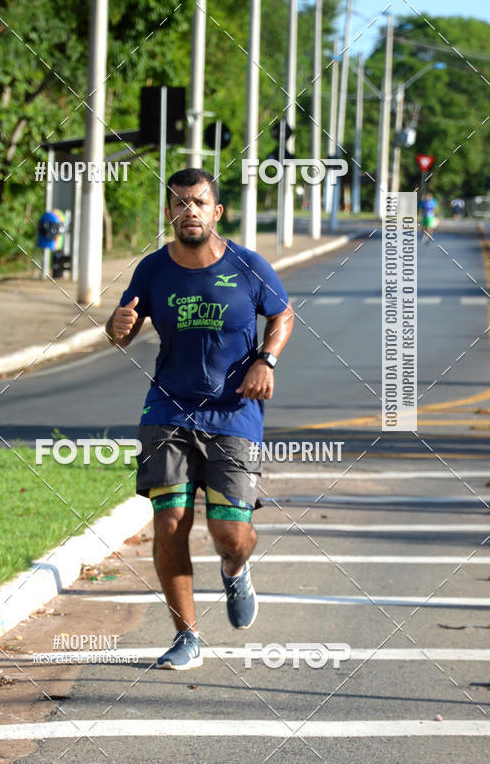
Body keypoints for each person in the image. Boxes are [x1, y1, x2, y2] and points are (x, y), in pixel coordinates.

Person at [105, 168, 293, 670]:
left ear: (216, 212)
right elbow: (121, 329)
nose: (189, 210)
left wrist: (265, 360)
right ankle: (186, 636)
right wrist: (115, 326)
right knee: (169, 522)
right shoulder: (152, 269)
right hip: (168, 409)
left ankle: (235, 569)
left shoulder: (249, 266)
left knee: (229, 533)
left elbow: (282, 315)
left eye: (199, 202)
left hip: (234, 412)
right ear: (169, 212)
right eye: (180, 203)